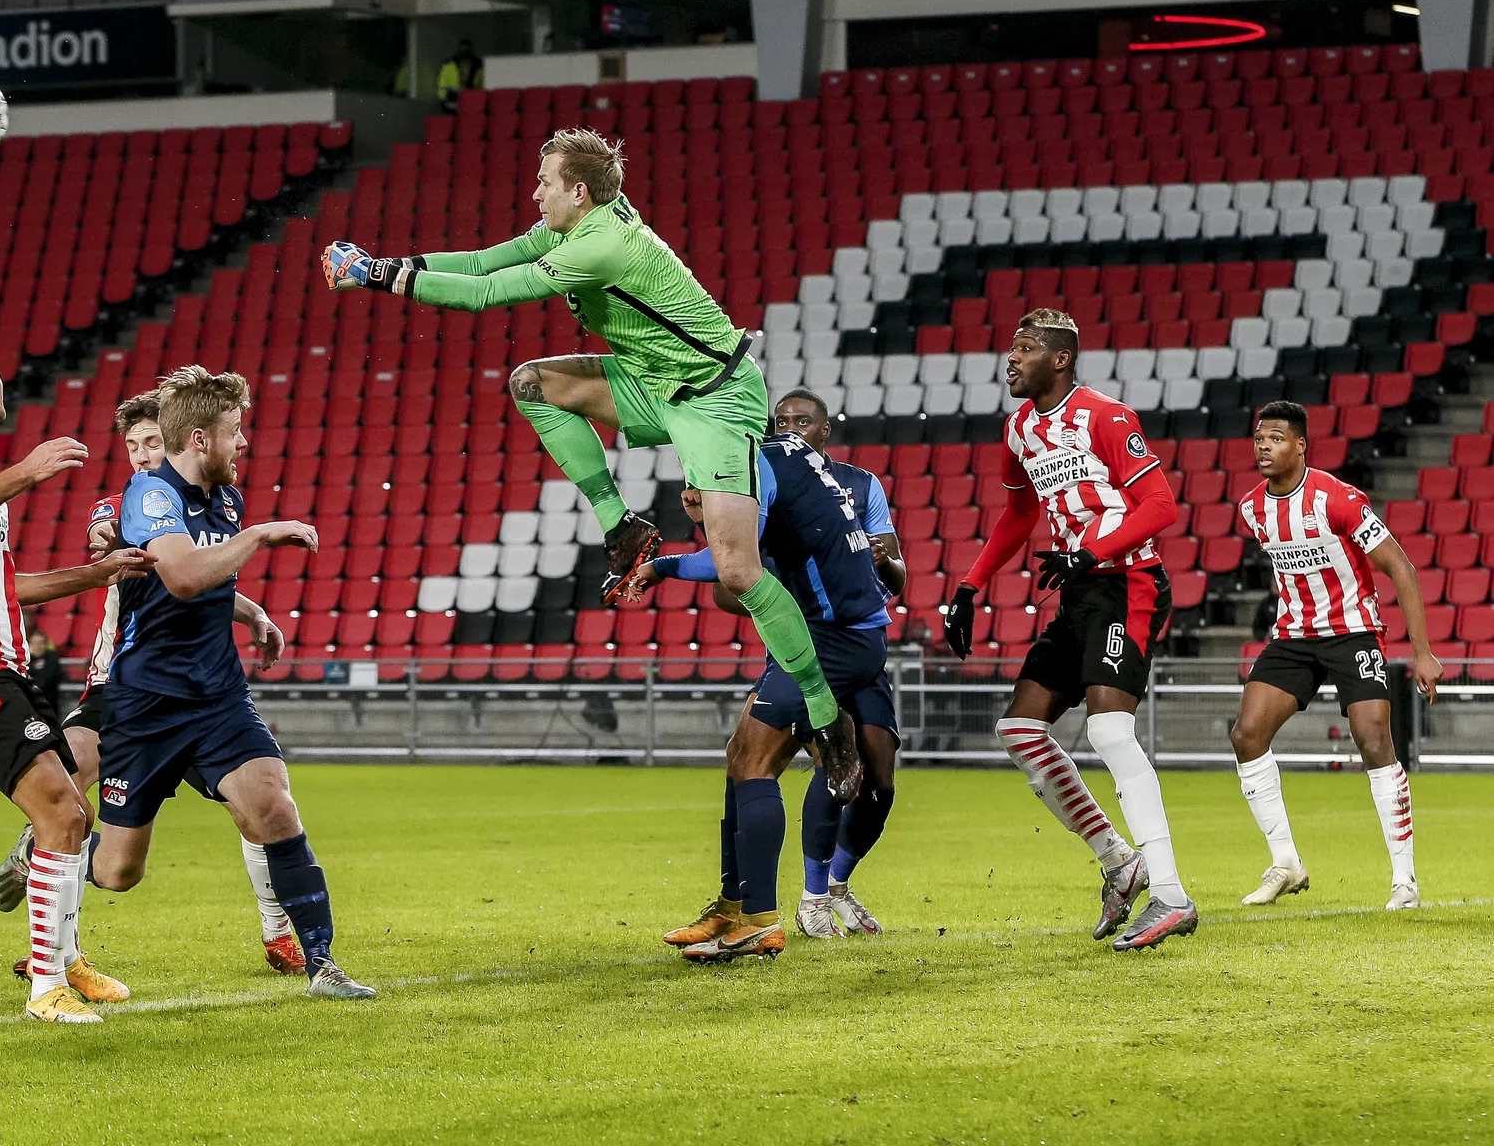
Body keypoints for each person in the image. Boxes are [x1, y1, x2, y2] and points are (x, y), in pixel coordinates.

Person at [321, 127, 859, 799]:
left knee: (739, 572)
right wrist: (384, 262)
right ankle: (621, 526)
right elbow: (486, 260)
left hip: (714, 398)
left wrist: (373, 276)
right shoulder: (577, 226)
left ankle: (826, 717)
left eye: (545, 182)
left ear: (578, 192)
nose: (535, 193)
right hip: (651, 381)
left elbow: (484, 295)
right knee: (530, 383)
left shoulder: (600, 245)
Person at [0, 391, 312, 978]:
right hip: (121, 685)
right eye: (133, 445)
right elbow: (121, 541)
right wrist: (111, 539)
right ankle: (59, 945)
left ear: (179, 441)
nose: (142, 455)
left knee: (256, 808)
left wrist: (253, 614)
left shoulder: (211, 502)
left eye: (152, 443)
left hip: (197, 693)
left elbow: (198, 578)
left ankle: (278, 933)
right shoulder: (125, 505)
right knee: (68, 783)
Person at [92, 365, 375, 999]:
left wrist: (254, 615)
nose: (242, 442)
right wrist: (260, 535)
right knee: (117, 872)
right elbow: (184, 577)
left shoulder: (225, 499)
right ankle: (53, 852)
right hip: (146, 704)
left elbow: (212, 586)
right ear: (200, 439)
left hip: (217, 695)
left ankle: (323, 964)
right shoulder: (149, 495)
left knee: (274, 805)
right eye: (234, 431)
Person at [0, 322, 152, 1024]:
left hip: (2, 664)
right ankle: (46, 986)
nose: (3, 374)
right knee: (62, 812)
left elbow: (5, 587)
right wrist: (27, 471)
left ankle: (63, 959)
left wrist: (98, 574)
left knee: (72, 810)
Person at [943, 308, 1197, 952]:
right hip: (1078, 590)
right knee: (1018, 730)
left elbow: (1161, 506)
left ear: (1061, 360)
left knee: (1109, 730)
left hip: (1127, 582)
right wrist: (970, 586)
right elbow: (1018, 515)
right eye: (1011, 347)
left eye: (1026, 348)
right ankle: (1119, 860)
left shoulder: (1106, 416)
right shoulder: (1019, 430)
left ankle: (1171, 896)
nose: (1011, 358)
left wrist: (1091, 553)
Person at [629, 394, 906, 961]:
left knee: (757, 761)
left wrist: (664, 563)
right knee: (742, 754)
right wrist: (678, 550)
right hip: (833, 634)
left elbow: (735, 561)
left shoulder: (766, 467)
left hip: (833, 639)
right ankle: (736, 907)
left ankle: (760, 917)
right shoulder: (801, 464)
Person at [1229, 401, 1442, 910]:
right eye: (1259, 438)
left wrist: (1423, 652)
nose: (1264, 446)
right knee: (1247, 734)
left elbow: (1401, 568)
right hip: (1294, 636)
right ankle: (1286, 863)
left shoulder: (1337, 500)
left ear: (1301, 446)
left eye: (1276, 438)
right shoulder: (1251, 508)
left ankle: (1405, 881)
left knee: (1374, 740)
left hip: (1353, 632)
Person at [435, 40, 482, 112]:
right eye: (463, 50)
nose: (464, 52)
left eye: (467, 50)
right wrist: (443, 99)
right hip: (452, 99)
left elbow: (480, 85)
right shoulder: (449, 65)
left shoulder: (477, 66)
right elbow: (442, 85)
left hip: (471, 99)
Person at [27, 630, 63, 714]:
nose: (37, 646)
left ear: (45, 645)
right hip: (30, 704)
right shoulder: (26, 661)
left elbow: (50, 679)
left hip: (49, 703)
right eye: (34, 643)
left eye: (40, 643)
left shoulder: (52, 659)